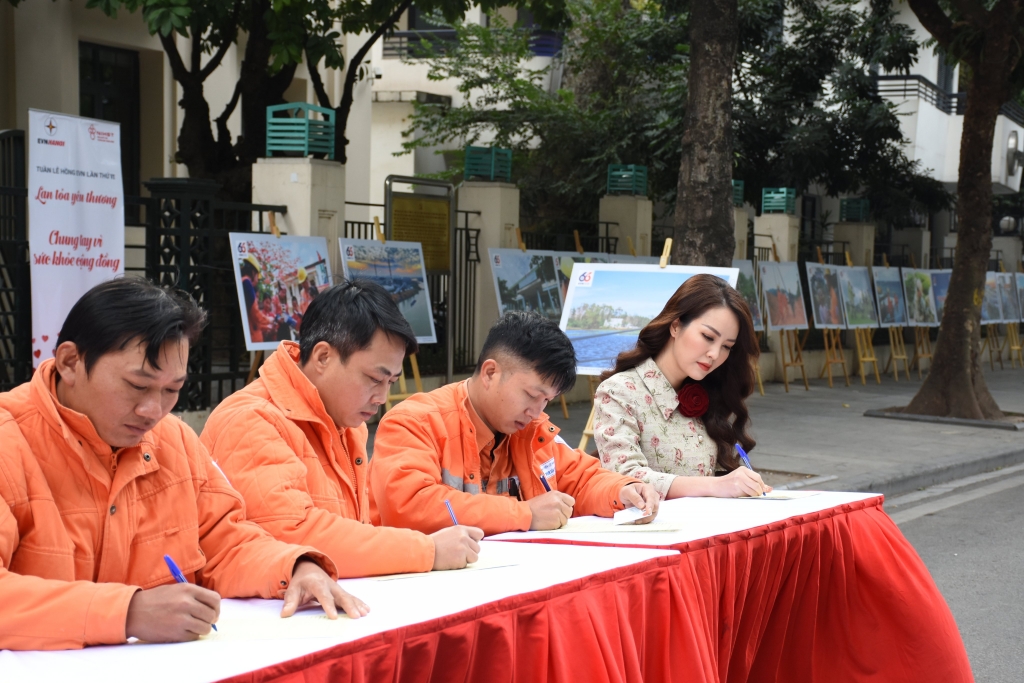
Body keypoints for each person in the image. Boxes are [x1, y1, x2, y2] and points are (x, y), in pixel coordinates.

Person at [0, 278, 367, 651]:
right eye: (137, 386)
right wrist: (128, 613)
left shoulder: (173, 441)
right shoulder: (9, 443)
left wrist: (294, 568)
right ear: (69, 362)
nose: (153, 411)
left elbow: (226, 542)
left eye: (172, 390)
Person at [202, 280, 483, 578]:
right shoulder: (251, 420)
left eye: (391, 382)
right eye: (375, 378)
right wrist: (426, 549)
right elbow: (293, 534)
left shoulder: (347, 423)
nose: (382, 398)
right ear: (323, 357)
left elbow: (353, 531)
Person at [370, 311, 660, 536]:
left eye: (547, 400)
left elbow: (582, 479)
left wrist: (624, 490)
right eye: (532, 395)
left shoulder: (533, 432)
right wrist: (524, 514)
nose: (536, 411)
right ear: (490, 372)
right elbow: (409, 506)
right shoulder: (414, 422)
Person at [593, 274, 770, 500]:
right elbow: (624, 477)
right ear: (676, 325)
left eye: (727, 347)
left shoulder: (708, 393)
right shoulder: (619, 391)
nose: (715, 354)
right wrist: (716, 486)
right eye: (707, 336)